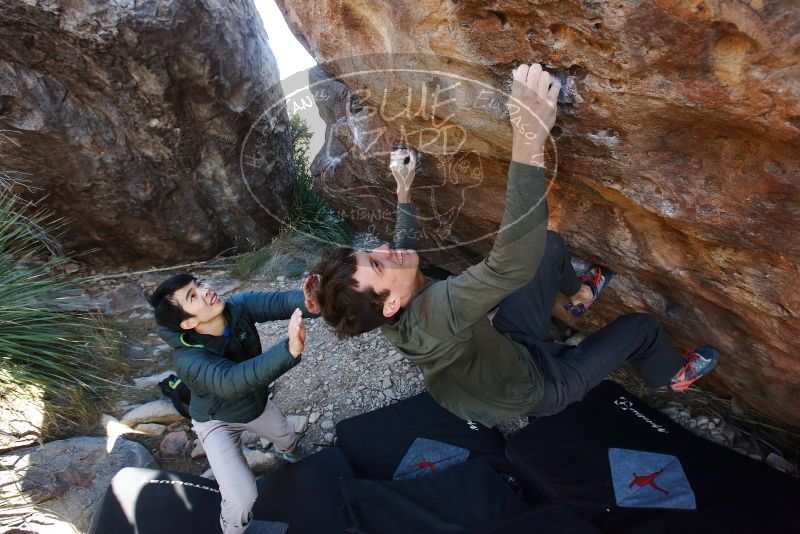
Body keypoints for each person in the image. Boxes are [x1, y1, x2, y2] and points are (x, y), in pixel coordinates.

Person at [307, 63, 719, 428]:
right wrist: (528, 135)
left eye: (370, 253)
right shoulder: (436, 312)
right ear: (391, 304)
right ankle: (673, 375)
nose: (382, 249)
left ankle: (577, 297)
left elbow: (403, 252)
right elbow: (510, 264)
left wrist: (403, 190)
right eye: (376, 264)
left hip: (508, 351)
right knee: (641, 329)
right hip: (539, 388)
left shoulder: (380, 310)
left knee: (550, 246)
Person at [148, 274, 320, 534]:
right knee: (242, 496)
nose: (205, 291)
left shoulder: (238, 306)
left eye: (200, 284)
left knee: (287, 437)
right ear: (188, 322)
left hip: (254, 404)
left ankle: (292, 455)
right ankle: (232, 531)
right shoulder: (187, 359)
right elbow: (230, 381)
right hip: (215, 421)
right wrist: (289, 350)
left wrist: (311, 302)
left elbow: (279, 301)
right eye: (193, 296)